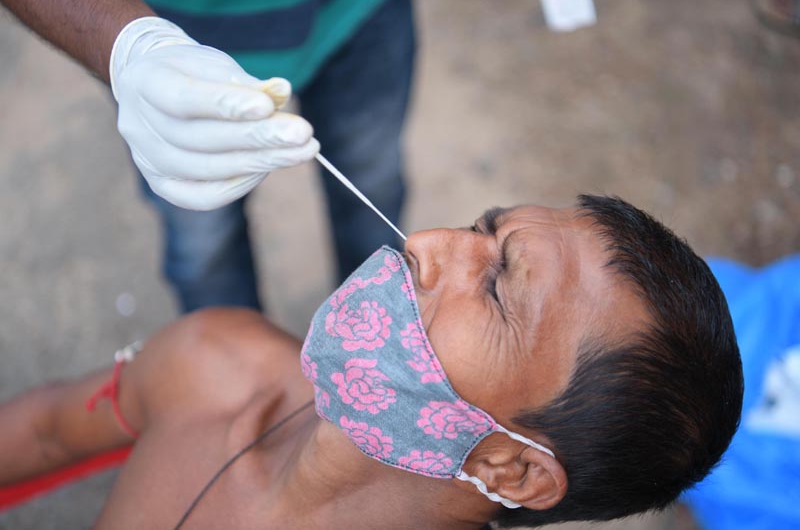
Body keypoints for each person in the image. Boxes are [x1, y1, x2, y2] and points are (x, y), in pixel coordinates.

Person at [0, 196, 744, 529]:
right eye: (482, 228)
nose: (424, 242)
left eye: (496, 287)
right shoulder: (214, 359)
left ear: (514, 470)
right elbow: (45, 431)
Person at [1, 0, 414, 312]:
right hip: (174, 57)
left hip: (360, 14)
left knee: (371, 192)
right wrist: (131, 43)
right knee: (205, 250)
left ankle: (373, 349)